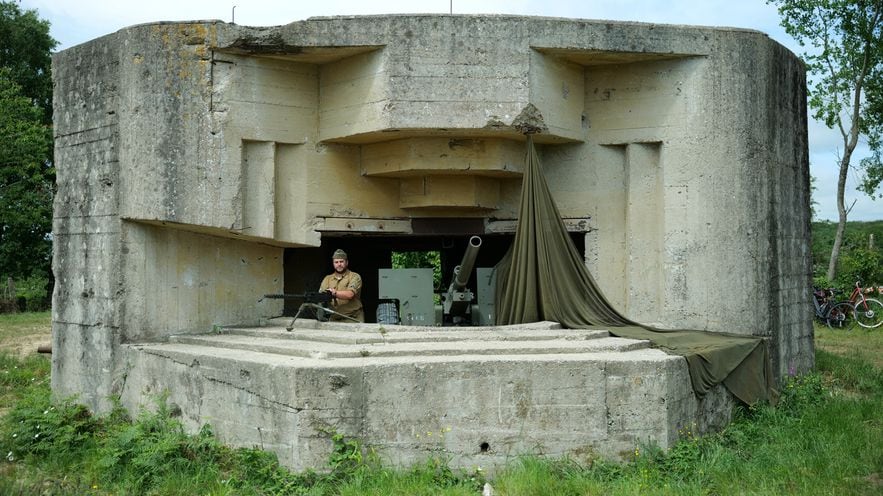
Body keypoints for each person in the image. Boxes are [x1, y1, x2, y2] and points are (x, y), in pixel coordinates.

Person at [318, 249, 364, 322]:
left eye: (341, 261)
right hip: (333, 318)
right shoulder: (327, 279)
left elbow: (350, 294)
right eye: (336, 262)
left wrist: (334, 293)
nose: (339, 264)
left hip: (352, 318)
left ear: (347, 263)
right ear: (333, 264)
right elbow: (321, 297)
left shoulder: (354, 276)